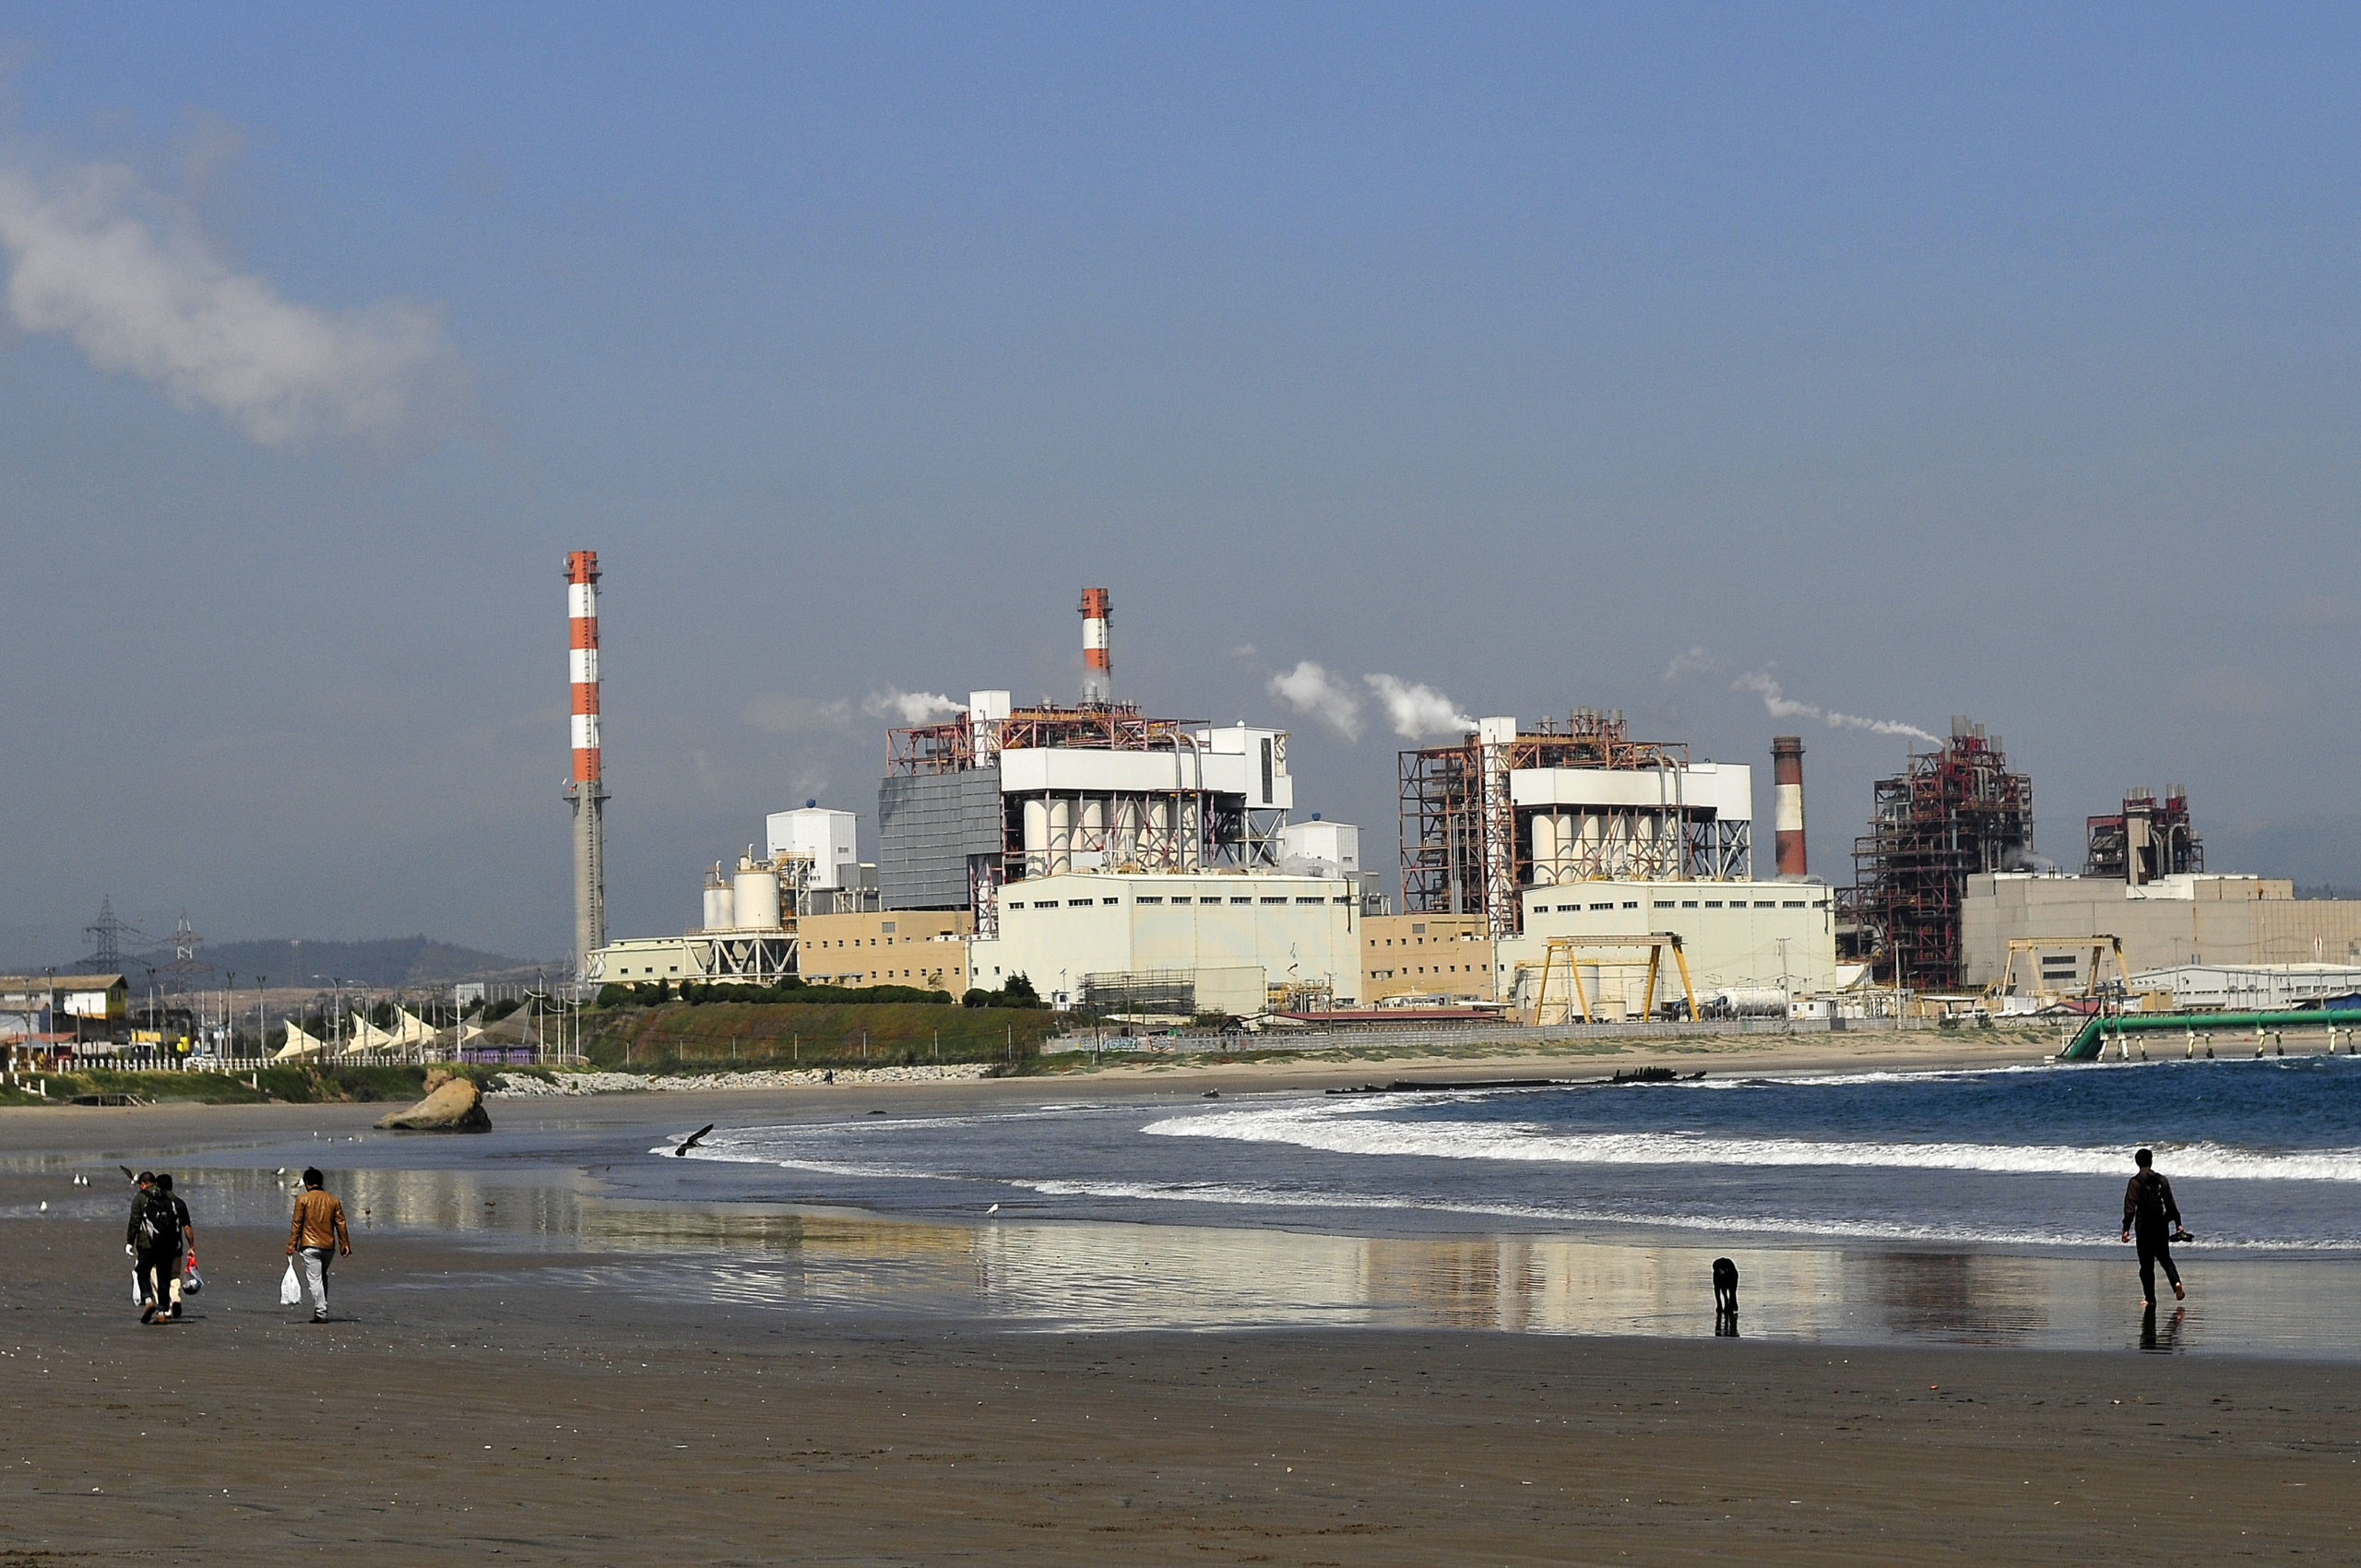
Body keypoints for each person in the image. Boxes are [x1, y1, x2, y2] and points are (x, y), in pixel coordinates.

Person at [2120, 1147, 2190, 1308]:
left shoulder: (2135, 1182)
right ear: (2151, 1161)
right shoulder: (2162, 1180)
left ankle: (2150, 1299)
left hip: (2144, 1227)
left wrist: (2126, 1229)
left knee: (2146, 1266)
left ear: (2137, 1162)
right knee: (2165, 1259)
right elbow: (2170, 1203)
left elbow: (2130, 1207)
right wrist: (2178, 1223)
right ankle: (2176, 1283)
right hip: (2161, 1225)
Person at [285, 1167, 350, 1323]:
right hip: (328, 1246)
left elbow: (297, 1223)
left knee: (315, 1279)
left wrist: (291, 1244)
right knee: (322, 1276)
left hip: (309, 1245)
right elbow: (340, 1223)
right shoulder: (333, 1200)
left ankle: (321, 1312)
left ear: (307, 1183)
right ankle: (320, 1309)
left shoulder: (302, 1199)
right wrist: (345, 1243)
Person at [124, 1170, 180, 1324]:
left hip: (146, 1243)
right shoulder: (167, 1195)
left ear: (142, 1184)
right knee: (164, 1277)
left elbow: (135, 1221)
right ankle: (162, 1312)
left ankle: (148, 1300)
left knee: (142, 1272)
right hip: (167, 1243)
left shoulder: (140, 1198)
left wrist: (130, 1242)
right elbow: (176, 1215)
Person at [155, 1173, 196, 1321]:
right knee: (174, 1276)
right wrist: (191, 1246)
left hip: (158, 1247)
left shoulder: (154, 1202)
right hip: (175, 1246)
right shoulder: (179, 1203)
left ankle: (164, 1308)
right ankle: (175, 1298)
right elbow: (187, 1227)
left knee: (157, 1276)